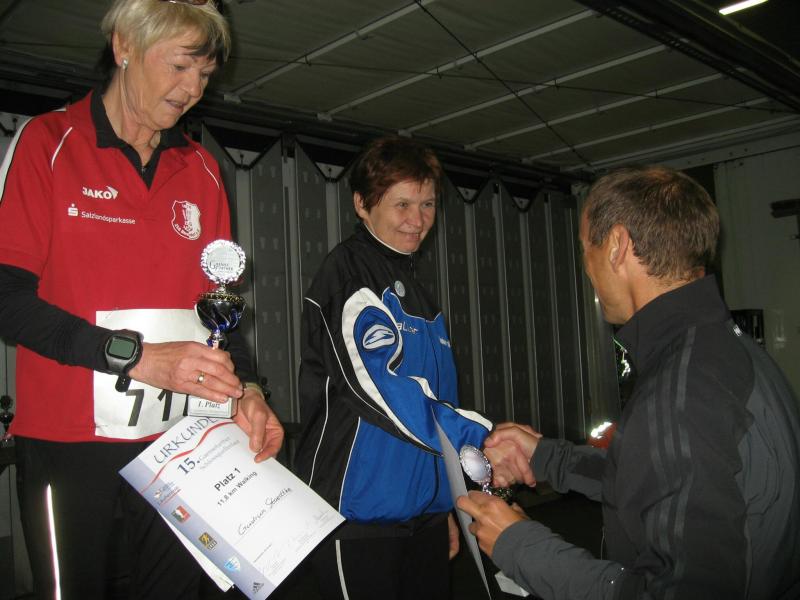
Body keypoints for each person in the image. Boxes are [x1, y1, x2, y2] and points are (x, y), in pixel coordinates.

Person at [0, 1, 283, 598]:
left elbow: (216, 313)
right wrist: (138, 358)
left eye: (205, 74)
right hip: (68, 444)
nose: (193, 89)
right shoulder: (48, 143)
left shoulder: (203, 169)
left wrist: (248, 391)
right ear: (124, 46)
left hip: (180, 442)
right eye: (180, 66)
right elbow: (7, 299)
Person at [457, 165, 800, 599]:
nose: (587, 268)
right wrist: (548, 457)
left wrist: (521, 545)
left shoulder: (682, 392)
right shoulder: (721, 351)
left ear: (617, 246)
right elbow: (666, 477)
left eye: (586, 249)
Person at [293, 136, 494, 600]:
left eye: (427, 204)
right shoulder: (349, 275)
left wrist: (445, 503)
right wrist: (477, 440)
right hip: (357, 515)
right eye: (402, 204)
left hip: (421, 515)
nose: (417, 220)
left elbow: (437, 401)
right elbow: (379, 387)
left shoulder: (417, 289)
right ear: (362, 205)